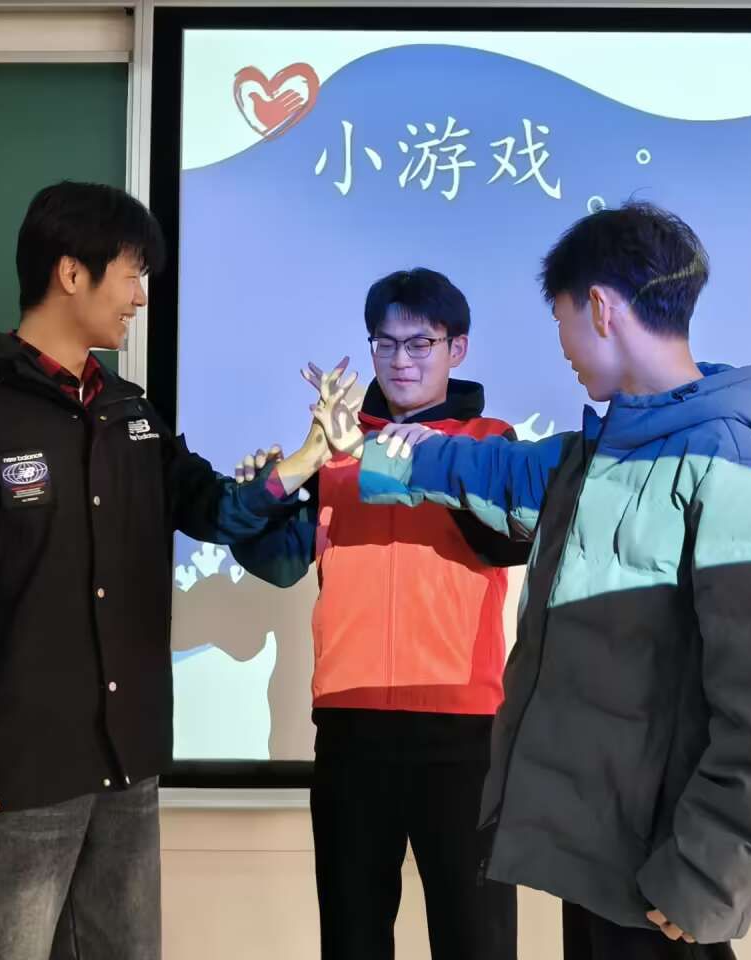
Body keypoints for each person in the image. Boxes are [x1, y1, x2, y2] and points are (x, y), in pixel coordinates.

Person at [312, 203, 751, 959]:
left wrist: (707, 873)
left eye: (561, 322)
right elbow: (488, 467)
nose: (562, 350)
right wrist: (370, 450)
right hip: (601, 855)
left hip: (668, 868)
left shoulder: (729, 468)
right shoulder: (605, 455)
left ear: (600, 308)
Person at [0, 181, 325, 960]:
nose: (140, 298)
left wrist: (305, 461)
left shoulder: (129, 413)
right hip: (11, 779)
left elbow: (214, 508)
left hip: (124, 772)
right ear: (70, 272)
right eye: (131, 275)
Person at [232, 268, 526, 960]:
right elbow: (280, 563)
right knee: (353, 938)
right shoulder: (334, 448)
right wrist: (265, 497)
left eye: (421, 343)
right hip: (352, 727)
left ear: (457, 348)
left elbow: (506, 543)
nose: (401, 360)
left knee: (476, 940)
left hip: (463, 728)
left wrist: (413, 462)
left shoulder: (491, 441)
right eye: (385, 343)